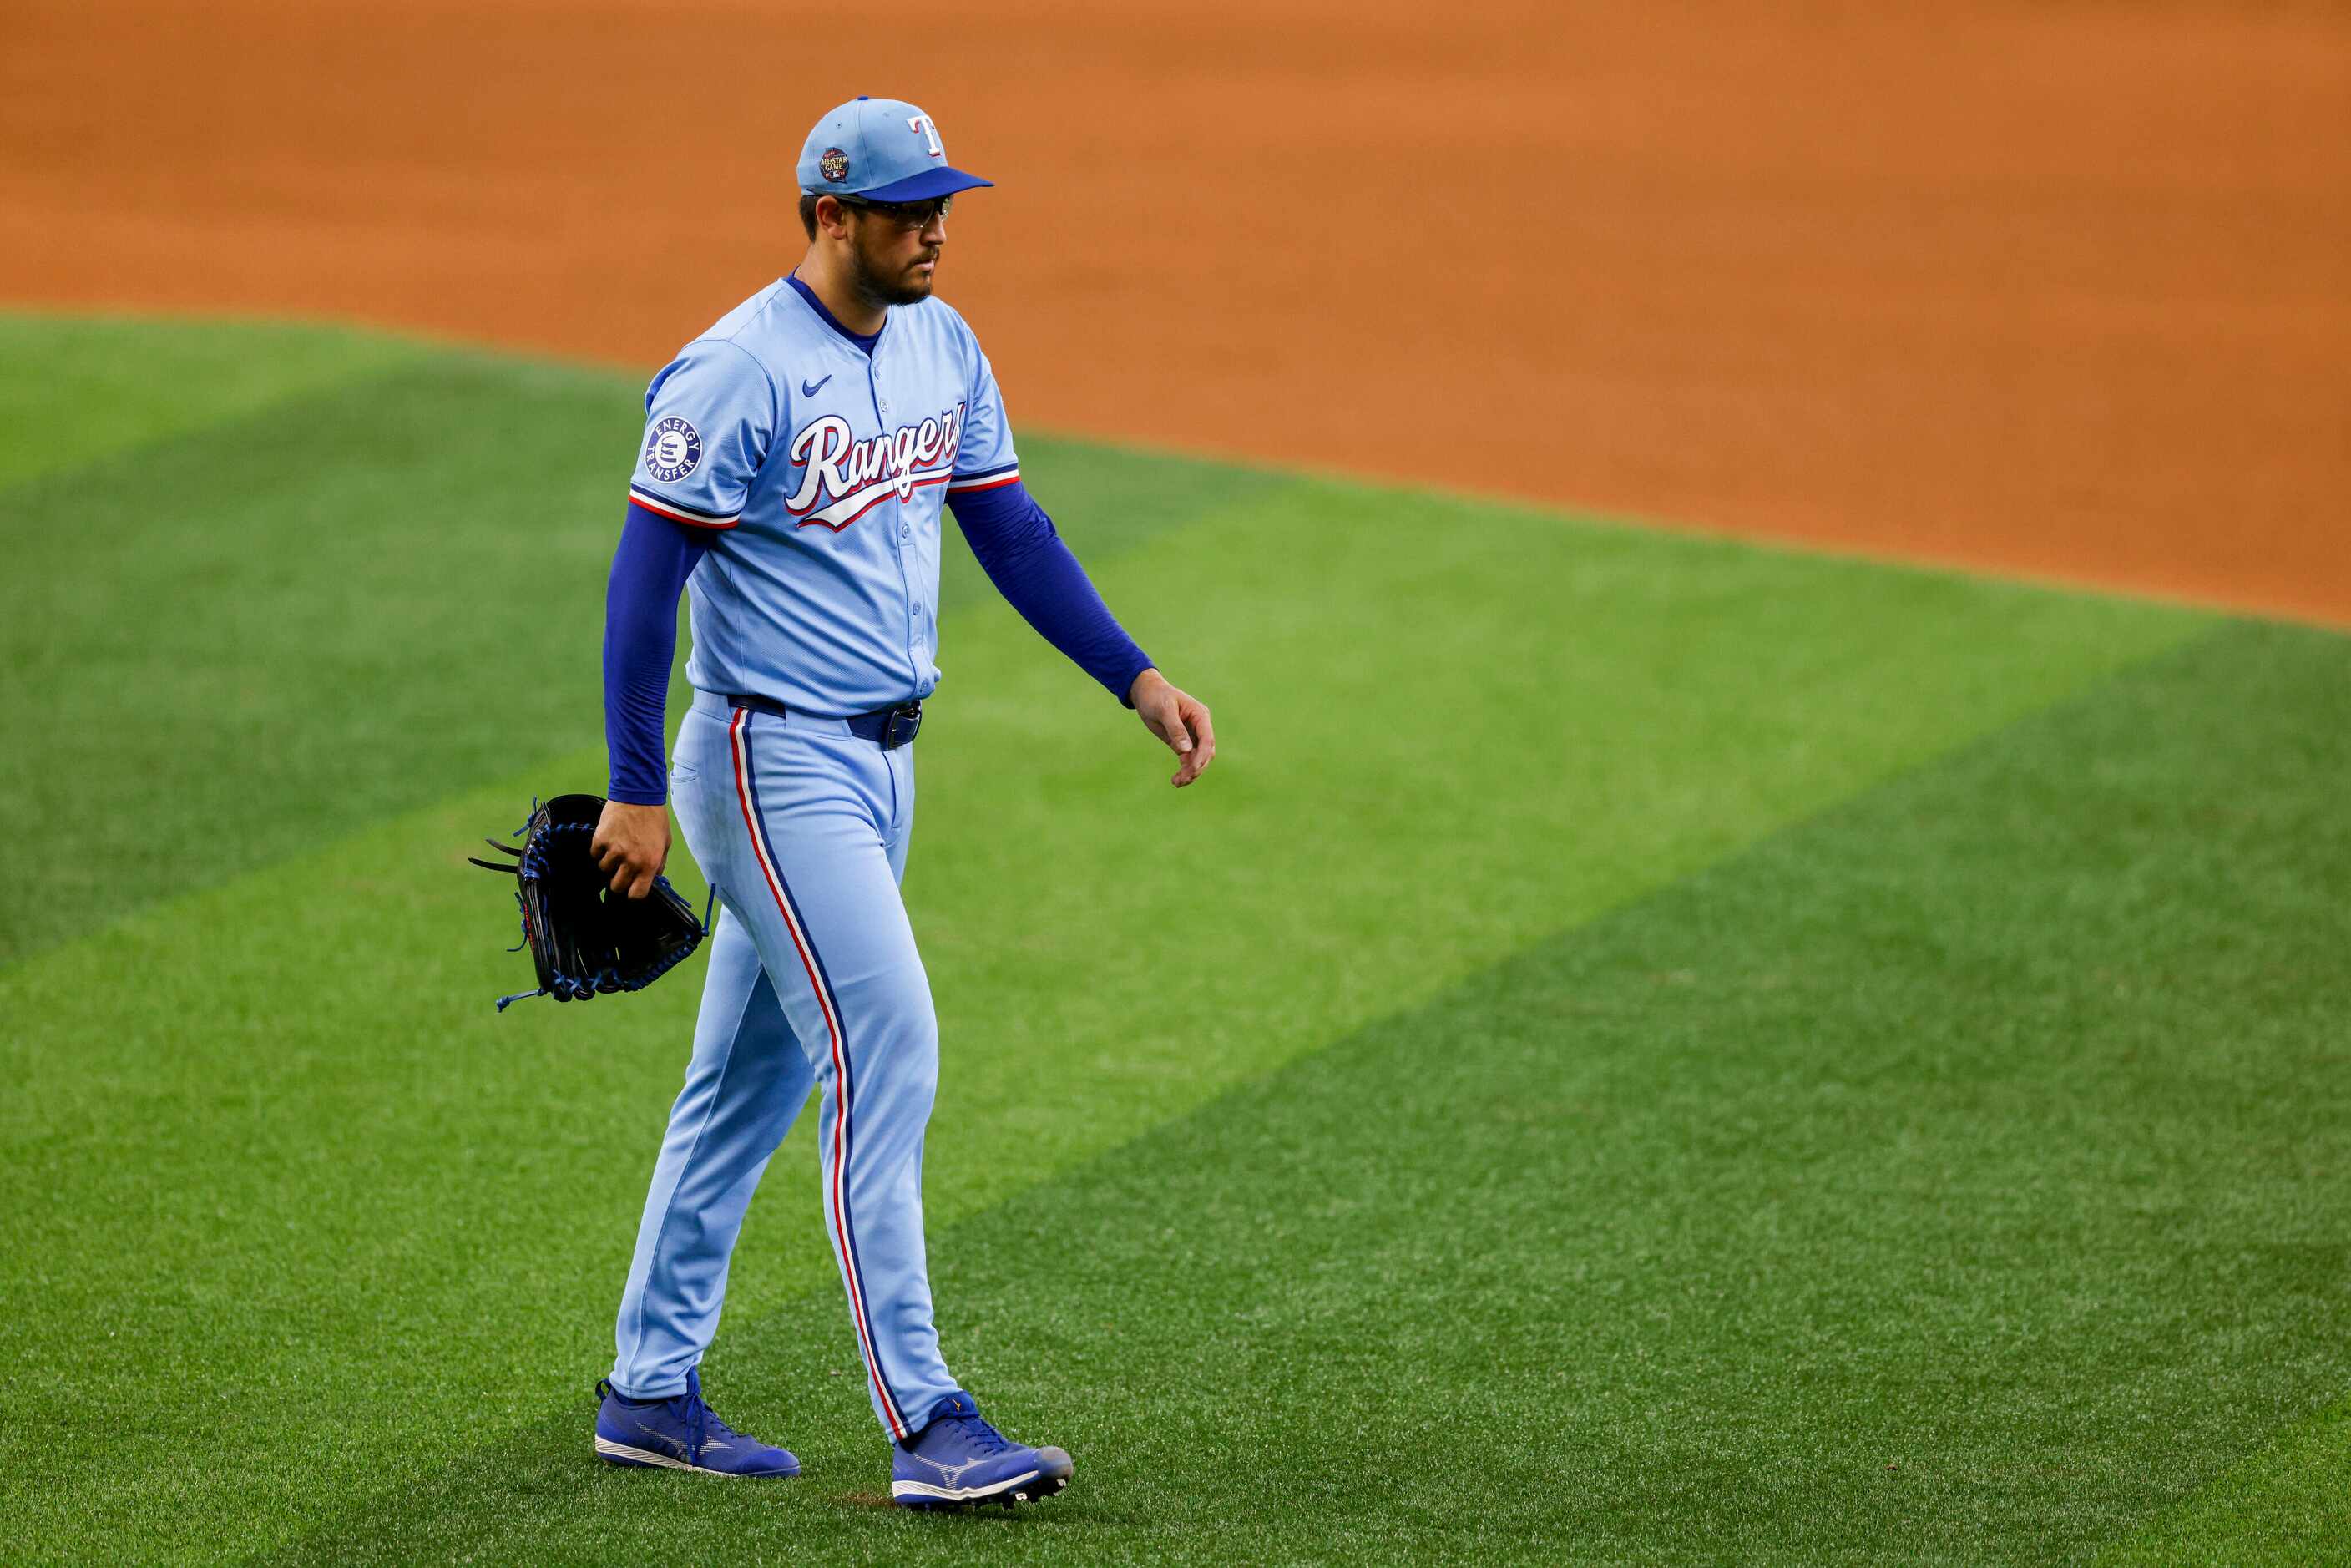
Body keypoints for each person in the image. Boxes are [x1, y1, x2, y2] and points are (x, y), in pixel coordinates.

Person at [583, 95, 1214, 1510]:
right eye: (908, 207)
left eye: (944, 202)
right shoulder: (737, 370)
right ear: (830, 214)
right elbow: (644, 581)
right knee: (889, 1045)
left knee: (745, 1079)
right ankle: (930, 1419)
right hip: (766, 761)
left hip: (881, 767)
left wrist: (1135, 674)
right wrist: (636, 788)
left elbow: (1010, 524)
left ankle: (649, 1387)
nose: (936, 225)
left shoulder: (940, 342)